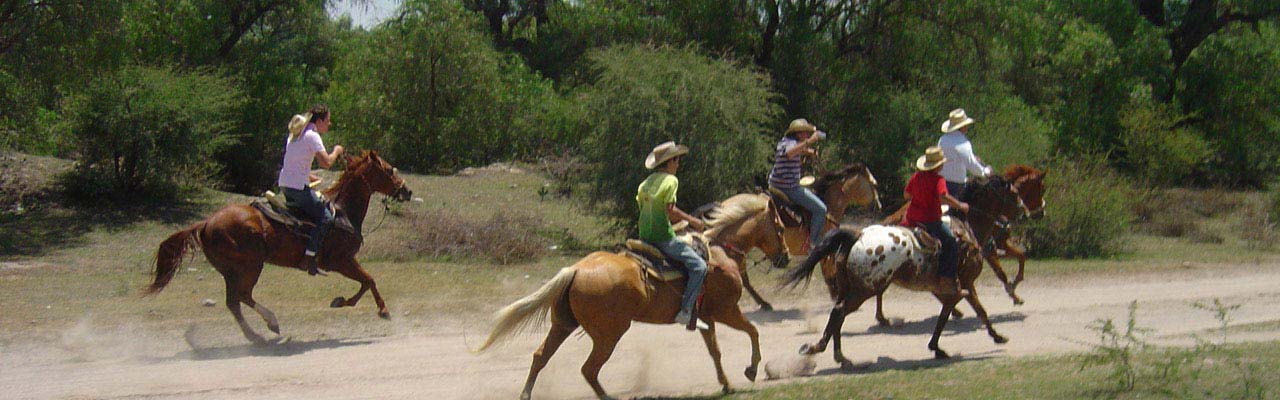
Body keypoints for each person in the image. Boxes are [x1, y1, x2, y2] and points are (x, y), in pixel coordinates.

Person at [637, 141, 709, 331]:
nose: (678, 164)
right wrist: (694, 222)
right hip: (663, 238)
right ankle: (686, 312)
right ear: (669, 162)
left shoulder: (645, 183)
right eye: (677, 160)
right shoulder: (671, 181)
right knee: (699, 267)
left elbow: (644, 208)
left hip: (644, 236)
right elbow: (670, 209)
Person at [278, 104, 344, 276]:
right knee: (326, 217)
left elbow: (294, 162)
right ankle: (309, 257)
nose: (329, 124)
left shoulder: (296, 134)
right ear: (320, 120)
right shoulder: (312, 136)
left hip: (286, 185)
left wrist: (309, 176)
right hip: (298, 188)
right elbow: (326, 163)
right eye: (328, 121)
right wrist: (337, 151)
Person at [902, 146, 971, 297]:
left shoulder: (916, 177)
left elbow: (906, 195)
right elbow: (943, 197)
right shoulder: (938, 179)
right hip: (930, 220)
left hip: (912, 219)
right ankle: (946, 280)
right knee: (951, 242)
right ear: (938, 165)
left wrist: (920, 197)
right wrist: (960, 205)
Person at [768, 118, 828, 251]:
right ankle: (813, 243)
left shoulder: (785, 142)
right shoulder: (791, 144)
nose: (807, 135)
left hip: (775, 184)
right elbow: (790, 153)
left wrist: (809, 152)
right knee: (821, 209)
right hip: (789, 188)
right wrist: (810, 141)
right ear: (798, 133)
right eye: (805, 133)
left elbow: (795, 150)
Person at [937, 109, 991, 200]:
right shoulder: (963, 143)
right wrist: (985, 171)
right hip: (956, 187)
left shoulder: (942, 139)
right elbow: (971, 165)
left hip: (940, 183)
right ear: (962, 127)